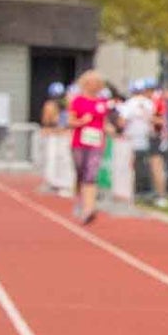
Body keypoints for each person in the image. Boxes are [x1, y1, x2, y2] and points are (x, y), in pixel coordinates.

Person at [67, 70, 112, 223]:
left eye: (97, 83)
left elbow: (104, 122)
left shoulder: (102, 103)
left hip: (96, 143)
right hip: (79, 143)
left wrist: (110, 130)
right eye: (92, 83)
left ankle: (89, 208)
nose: (95, 86)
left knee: (90, 174)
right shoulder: (77, 101)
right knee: (80, 172)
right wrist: (82, 122)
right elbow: (70, 121)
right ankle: (79, 200)